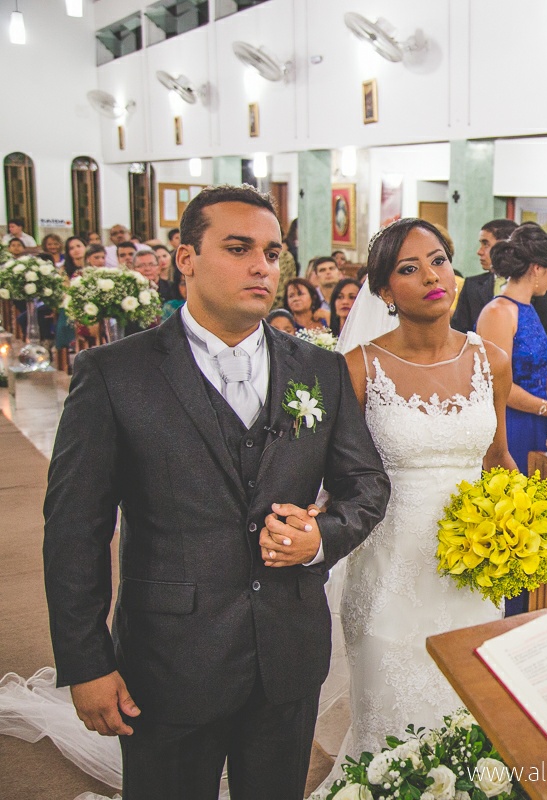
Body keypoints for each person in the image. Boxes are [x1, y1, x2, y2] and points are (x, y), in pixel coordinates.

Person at [39, 184, 391, 799]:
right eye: (238, 248)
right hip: (169, 659)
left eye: (273, 252)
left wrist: (318, 539)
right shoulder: (116, 374)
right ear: (186, 258)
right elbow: (75, 530)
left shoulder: (319, 369)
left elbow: (365, 485)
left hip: (287, 651)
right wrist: (87, 661)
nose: (262, 266)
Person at [334, 217, 518, 765]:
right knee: (395, 724)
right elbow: (337, 477)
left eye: (438, 260)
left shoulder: (491, 361)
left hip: (474, 567)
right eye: (408, 269)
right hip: (391, 569)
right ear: (385, 291)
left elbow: (496, 460)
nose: (431, 276)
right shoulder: (358, 369)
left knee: (469, 713)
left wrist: (524, 520)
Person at [476, 222, 547, 474]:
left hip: (536, 418)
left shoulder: (527, 309)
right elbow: (499, 387)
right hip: (511, 423)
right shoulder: (498, 313)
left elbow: (525, 371)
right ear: (537, 269)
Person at [452, 218, 547, 346]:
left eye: (485, 244)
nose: (479, 251)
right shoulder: (497, 310)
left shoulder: (532, 302)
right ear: (537, 268)